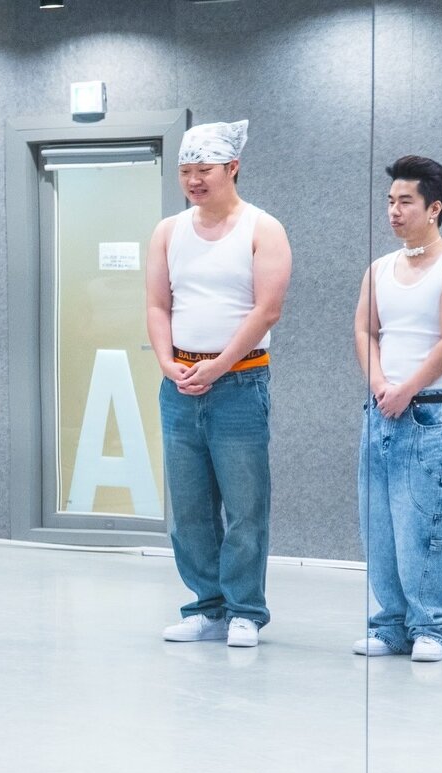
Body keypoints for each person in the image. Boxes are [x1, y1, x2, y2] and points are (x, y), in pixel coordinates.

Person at [147, 120, 293, 648]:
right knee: (189, 509)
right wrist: (167, 362)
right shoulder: (168, 231)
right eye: (185, 171)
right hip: (181, 384)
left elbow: (267, 309)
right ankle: (206, 606)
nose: (193, 180)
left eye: (204, 169)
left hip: (240, 383)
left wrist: (221, 365)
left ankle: (245, 611)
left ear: (232, 168)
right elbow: (158, 304)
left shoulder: (262, 228)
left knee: (245, 505)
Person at [353, 156, 442, 662]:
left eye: (405, 201)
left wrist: (407, 388)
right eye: (390, 201)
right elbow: (365, 330)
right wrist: (380, 382)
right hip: (381, 410)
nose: (394, 210)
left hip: (431, 414)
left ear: (434, 208)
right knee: (380, 526)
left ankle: (431, 628)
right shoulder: (379, 269)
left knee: (427, 524)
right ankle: (390, 626)